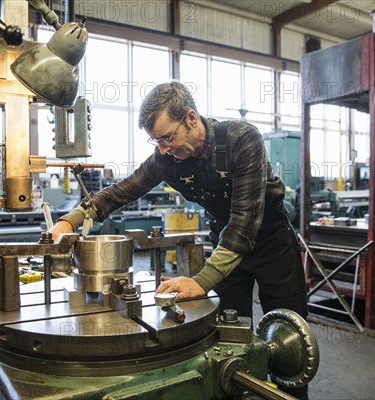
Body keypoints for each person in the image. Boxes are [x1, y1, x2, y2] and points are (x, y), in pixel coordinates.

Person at [51, 81, 309, 399]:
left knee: (289, 337)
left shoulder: (242, 138)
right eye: (155, 141)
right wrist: (70, 220)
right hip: (227, 243)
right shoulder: (166, 159)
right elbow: (121, 191)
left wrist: (201, 281)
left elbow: (245, 223)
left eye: (167, 138)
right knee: (228, 336)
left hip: (271, 243)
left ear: (190, 118)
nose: (162, 149)